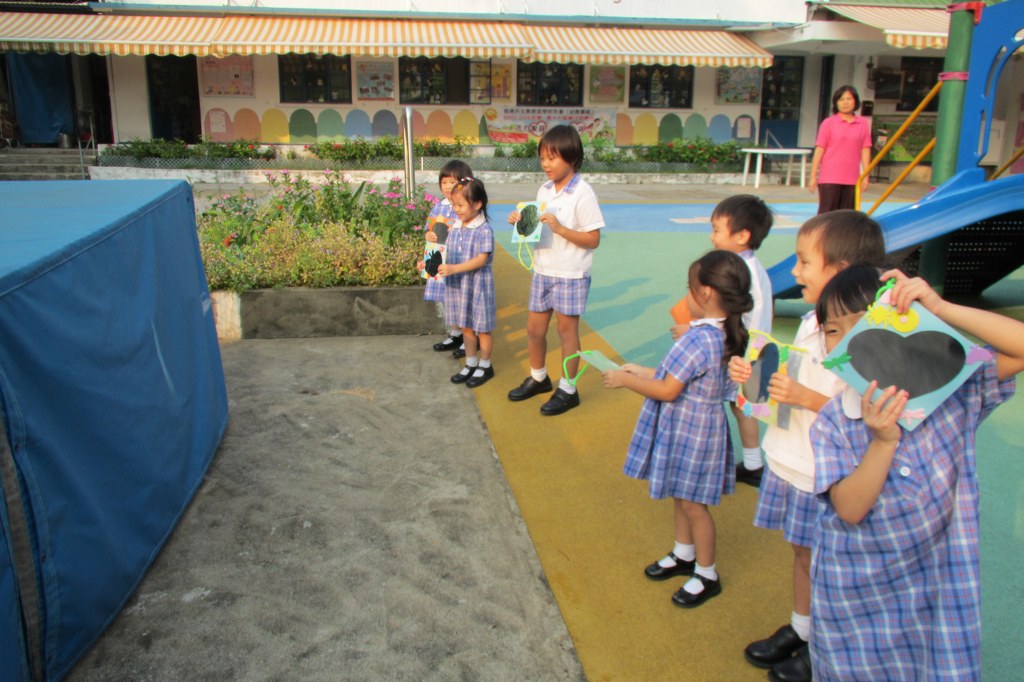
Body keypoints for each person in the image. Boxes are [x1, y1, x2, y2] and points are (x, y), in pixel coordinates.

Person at [809, 265, 1023, 680]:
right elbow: (849, 509)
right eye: (834, 331)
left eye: (865, 321)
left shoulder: (954, 388)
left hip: (939, 585)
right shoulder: (835, 419)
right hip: (856, 595)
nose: (851, 339)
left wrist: (943, 309)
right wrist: (882, 443)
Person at [729, 210, 885, 682]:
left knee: (832, 570)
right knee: (802, 554)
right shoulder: (811, 323)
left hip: (829, 476)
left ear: (841, 271)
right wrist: (753, 376)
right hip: (793, 460)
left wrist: (805, 398)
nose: (795, 271)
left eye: (804, 262)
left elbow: (866, 415)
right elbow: (784, 385)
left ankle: (827, 646)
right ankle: (802, 627)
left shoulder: (868, 340)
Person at [603, 250, 752, 608]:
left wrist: (626, 380)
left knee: (694, 505)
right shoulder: (721, 334)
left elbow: (669, 390)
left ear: (706, 293)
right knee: (682, 494)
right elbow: (679, 377)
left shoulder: (699, 339)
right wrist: (642, 371)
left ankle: (707, 573)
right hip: (699, 427)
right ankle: (684, 553)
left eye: (689, 288)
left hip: (691, 430)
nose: (686, 295)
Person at [506, 124, 605, 415]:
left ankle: (568, 389)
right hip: (543, 270)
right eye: (542, 158)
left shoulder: (583, 193)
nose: (545, 164)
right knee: (534, 330)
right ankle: (539, 377)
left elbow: (593, 239)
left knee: (566, 332)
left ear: (571, 157)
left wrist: (561, 229)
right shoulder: (545, 189)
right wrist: (521, 222)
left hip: (571, 274)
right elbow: (537, 228)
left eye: (552, 158)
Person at [706, 194, 774, 488]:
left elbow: (742, 317)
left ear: (742, 236)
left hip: (745, 355)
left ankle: (751, 464)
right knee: (741, 406)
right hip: (748, 351)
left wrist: (699, 329)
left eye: (717, 230)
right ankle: (752, 462)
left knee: (740, 406)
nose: (712, 237)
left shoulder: (744, 272)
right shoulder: (747, 266)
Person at [436, 178, 496, 388]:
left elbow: (481, 259)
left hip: (477, 286)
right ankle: (471, 363)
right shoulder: (456, 226)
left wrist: (454, 269)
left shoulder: (483, 229)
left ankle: (485, 365)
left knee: (483, 329)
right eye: (454, 205)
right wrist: (430, 262)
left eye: (460, 205)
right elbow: (447, 250)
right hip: (459, 286)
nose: (456, 209)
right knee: (466, 326)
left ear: (477, 204)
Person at [426, 160, 475, 359]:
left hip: (460, 262)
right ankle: (455, 334)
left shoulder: (468, 207)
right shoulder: (439, 207)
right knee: (448, 299)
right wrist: (429, 235)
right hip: (442, 261)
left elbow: (472, 232)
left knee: (463, 301)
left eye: (452, 182)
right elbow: (429, 229)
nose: (447, 187)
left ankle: (469, 337)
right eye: (444, 182)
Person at [808, 86, 872, 214]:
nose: (845, 102)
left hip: (852, 179)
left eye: (849, 99)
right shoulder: (828, 123)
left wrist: (866, 175)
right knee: (827, 215)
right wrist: (813, 176)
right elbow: (820, 149)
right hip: (830, 178)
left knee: (847, 217)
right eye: (841, 99)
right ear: (836, 103)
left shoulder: (863, 123)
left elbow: (865, 149)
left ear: (855, 101)